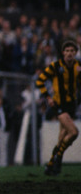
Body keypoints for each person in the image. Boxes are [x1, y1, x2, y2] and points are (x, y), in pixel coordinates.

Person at [36, 39, 81, 175]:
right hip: (58, 104)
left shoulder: (78, 66)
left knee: (62, 137)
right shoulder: (56, 66)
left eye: (72, 51)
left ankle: (51, 166)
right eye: (67, 51)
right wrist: (48, 97)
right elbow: (40, 80)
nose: (69, 54)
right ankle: (59, 158)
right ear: (63, 53)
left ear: (75, 53)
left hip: (71, 105)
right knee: (74, 132)